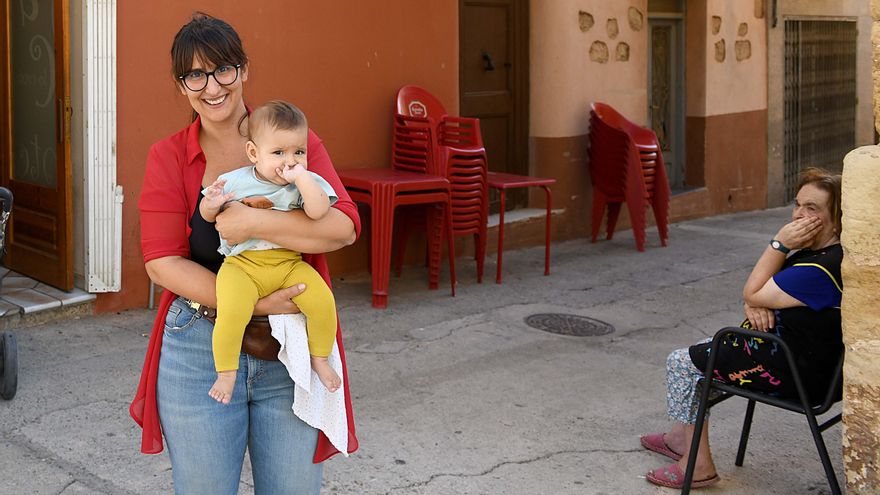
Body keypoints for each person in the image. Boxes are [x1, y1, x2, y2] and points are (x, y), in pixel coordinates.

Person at [130, 12, 359, 494]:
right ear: (181, 84)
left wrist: (254, 221)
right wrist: (253, 303)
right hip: (199, 348)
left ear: (244, 70)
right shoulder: (168, 157)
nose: (212, 86)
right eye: (195, 74)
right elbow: (160, 261)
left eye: (223, 69)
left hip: (290, 347)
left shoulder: (295, 142)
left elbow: (342, 228)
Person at [640, 168, 843, 490]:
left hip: (798, 374)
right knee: (703, 351)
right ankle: (680, 437)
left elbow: (753, 289)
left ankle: (698, 467)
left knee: (682, 363)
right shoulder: (824, 255)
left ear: (837, 218)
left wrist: (778, 244)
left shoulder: (819, 268)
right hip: (801, 359)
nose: (799, 215)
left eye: (813, 209)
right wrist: (756, 304)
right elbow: (760, 292)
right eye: (798, 204)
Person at [202, 100, 341, 404]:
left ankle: (319, 357)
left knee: (322, 301)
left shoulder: (305, 182)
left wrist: (303, 179)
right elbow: (208, 214)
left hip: (287, 264)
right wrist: (211, 203)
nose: (289, 161)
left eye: (298, 152)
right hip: (242, 266)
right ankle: (226, 372)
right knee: (232, 312)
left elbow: (318, 212)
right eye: (278, 153)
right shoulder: (237, 179)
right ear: (254, 153)